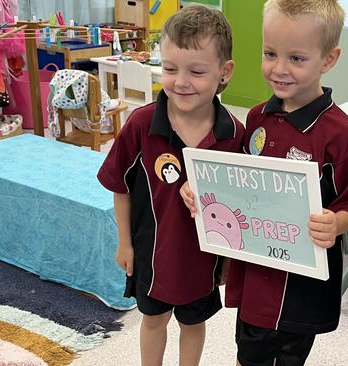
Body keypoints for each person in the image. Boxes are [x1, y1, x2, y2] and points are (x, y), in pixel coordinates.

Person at [180, 0, 348, 365]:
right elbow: (237, 180)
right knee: (248, 353)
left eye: (296, 58)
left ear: (328, 60)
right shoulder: (255, 118)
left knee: (288, 357)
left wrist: (338, 221)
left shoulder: (342, 135)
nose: (279, 69)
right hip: (254, 274)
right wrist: (201, 190)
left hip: (302, 286)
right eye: (270, 53)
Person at [97, 5, 244, 366]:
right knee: (154, 319)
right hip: (151, 254)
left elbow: (239, 203)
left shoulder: (234, 135)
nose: (180, 81)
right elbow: (120, 186)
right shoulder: (141, 124)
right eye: (169, 68)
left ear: (224, 73)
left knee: (194, 323)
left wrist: (228, 259)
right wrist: (124, 243)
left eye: (196, 71)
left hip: (203, 259)